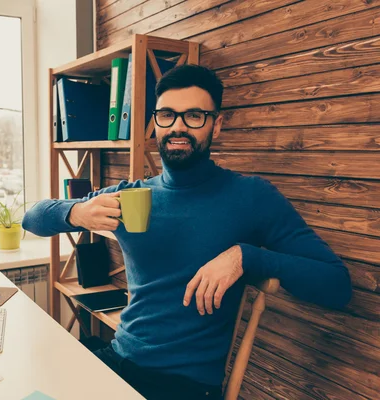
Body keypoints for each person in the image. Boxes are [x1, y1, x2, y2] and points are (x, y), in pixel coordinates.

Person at [22, 64, 352, 400]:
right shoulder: (130, 195)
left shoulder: (252, 197)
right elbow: (31, 218)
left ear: (216, 124)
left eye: (194, 115)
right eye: (167, 114)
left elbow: (336, 285)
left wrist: (247, 256)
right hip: (118, 359)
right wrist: (76, 212)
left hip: (185, 386)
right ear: (155, 122)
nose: (178, 126)